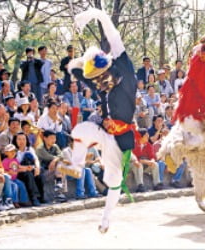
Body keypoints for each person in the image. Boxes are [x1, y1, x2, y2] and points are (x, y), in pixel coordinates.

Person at [67, 7, 139, 233]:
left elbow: (114, 36)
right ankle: (76, 166)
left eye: (101, 79)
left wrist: (96, 14)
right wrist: (76, 63)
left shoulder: (125, 74)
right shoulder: (101, 85)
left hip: (121, 139)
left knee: (114, 181)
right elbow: (75, 70)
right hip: (104, 131)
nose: (100, 84)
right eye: (96, 81)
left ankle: (106, 219)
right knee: (79, 130)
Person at [13, 132, 44, 205]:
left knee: (39, 173)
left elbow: (36, 159)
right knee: (28, 174)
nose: (22, 141)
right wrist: (25, 168)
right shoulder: (14, 151)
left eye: (24, 139)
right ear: (15, 141)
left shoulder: (29, 149)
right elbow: (14, 166)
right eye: (19, 139)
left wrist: (37, 168)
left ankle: (41, 197)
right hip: (19, 172)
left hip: (30, 168)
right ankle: (33, 197)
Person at [35, 130, 67, 202]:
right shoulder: (40, 149)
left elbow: (62, 156)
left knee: (61, 166)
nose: (54, 140)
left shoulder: (55, 146)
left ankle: (59, 189)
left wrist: (55, 161)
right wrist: (55, 159)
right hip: (43, 173)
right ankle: (60, 192)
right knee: (60, 166)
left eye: (54, 138)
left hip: (55, 171)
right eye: (51, 138)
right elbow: (49, 157)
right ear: (45, 138)